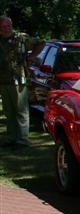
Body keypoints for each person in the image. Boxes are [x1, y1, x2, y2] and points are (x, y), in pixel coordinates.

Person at [0, 16, 34, 148]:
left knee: (21, 111)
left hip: (19, 80)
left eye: (9, 25)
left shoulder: (21, 38)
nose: (7, 28)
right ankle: (12, 138)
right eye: (3, 26)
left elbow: (40, 43)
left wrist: (32, 57)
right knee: (9, 112)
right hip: (3, 81)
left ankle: (23, 139)